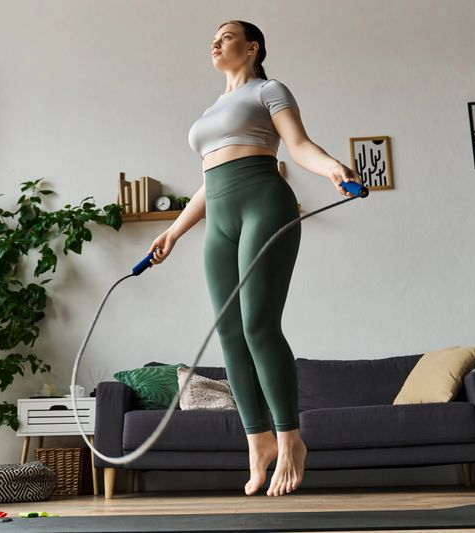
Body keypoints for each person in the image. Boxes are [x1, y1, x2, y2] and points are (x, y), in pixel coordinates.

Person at [147, 20, 362, 497]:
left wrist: (333, 168)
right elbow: (209, 179)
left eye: (225, 36)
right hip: (219, 216)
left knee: (258, 325)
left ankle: (290, 440)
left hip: (264, 202)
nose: (215, 43)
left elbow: (299, 144)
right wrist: (175, 231)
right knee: (229, 332)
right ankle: (257, 442)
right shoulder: (211, 111)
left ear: (252, 47)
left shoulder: (269, 89)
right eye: (214, 39)